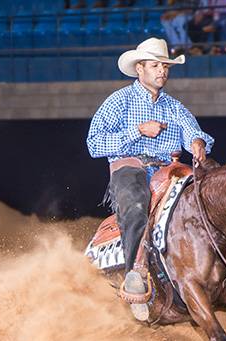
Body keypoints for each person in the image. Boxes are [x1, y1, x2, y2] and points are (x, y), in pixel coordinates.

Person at [86, 37, 214, 321]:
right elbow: (94, 145)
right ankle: (136, 275)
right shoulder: (118, 102)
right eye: (155, 65)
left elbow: (194, 131)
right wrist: (138, 131)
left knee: (208, 203)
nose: (162, 71)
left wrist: (196, 142)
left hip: (169, 170)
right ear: (140, 69)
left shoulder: (175, 107)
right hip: (130, 167)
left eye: (165, 66)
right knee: (134, 207)